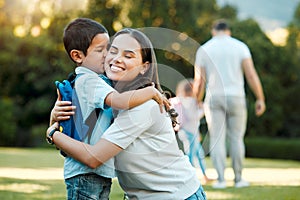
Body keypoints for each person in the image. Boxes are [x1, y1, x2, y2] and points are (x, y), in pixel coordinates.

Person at [47, 28, 206, 200]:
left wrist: (51, 133)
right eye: (113, 51)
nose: (117, 59)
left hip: (176, 195)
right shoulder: (108, 101)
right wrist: (57, 117)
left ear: (144, 67)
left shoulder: (143, 107)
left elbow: (93, 157)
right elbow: (78, 140)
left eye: (128, 56)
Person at [193, 19, 266, 189]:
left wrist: (197, 100)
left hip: (214, 97)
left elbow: (199, 82)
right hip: (237, 97)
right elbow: (251, 75)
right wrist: (260, 98)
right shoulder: (240, 46)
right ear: (228, 31)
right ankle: (239, 179)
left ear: (213, 31)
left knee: (217, 139)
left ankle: (220, 180)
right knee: (236, 138)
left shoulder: (205, 48)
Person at [170, 79, 212, 184]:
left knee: (198, 154)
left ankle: (204, 176)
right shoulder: (191, 101)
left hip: (184, 132)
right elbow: (193, 117)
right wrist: (203, 110)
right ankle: (188, 177)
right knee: (191, 155)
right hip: (190, 132)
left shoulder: (181, 100)